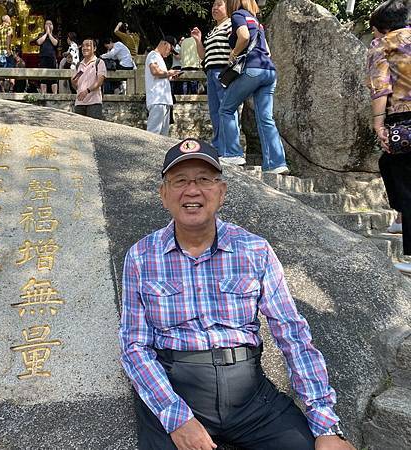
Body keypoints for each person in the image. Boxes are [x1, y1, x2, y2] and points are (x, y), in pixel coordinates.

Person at [119, 137, 357, 450]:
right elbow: (134, 345)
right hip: (178, 390)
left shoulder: (254, 250)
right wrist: (176, 418)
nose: (192, 191)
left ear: (222, 192)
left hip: (251, 397)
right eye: (179, 181)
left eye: (205, 179)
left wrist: (325, 424)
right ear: (164, 195)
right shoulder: (140, 257)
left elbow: (292, 333)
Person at [366, 0, 411, 272]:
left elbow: (380, 88)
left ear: (380, 27)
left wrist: (378, 124)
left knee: (405, 181)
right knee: (387, 164)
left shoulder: (382, 45)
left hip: (403, 119)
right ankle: (400, 217)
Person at [218, 0, 289, 174]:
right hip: (269, 71)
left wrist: (233, 54)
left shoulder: (238, 15)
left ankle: (232, 153)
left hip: (253, 70)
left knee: (226, 109)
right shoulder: (257, 22)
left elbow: (243, 36)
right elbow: (268, 51)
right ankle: (276, 163)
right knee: (265, 118)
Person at [192, 0, 239, 150]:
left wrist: (232, 60)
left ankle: (232, 147)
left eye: (219, 4)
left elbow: (240, 42)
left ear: (228, 7)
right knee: (214, 111)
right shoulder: (213, 30)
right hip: (211, 71)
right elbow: (203, 56)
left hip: (224, 71)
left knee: (226, 109)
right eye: (213, 5)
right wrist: (198, 40)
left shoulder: (232, 23)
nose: (214, 8)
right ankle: (219, 146)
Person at [145, 36, 182, 136]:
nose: (170, 53)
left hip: (164, 101)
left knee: (163, 135)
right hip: (157, 100)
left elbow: (160, 76)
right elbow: (155, 71)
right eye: (171, 49)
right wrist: (169, 73)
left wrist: (170, 77)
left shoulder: (159, 58)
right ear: (165, 43)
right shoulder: (153, 55)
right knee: (153, 133)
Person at [71, 38, 107, 119]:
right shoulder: (78, 65)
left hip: (94, 103)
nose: (84, 48)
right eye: (83, 46)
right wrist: (73, 82)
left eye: (88, 45)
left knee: (94, 129)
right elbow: (76, 87)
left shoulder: (99, 62)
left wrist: (87, 91)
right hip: (79, 103)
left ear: (94, 48)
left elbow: (99, 81)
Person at [34, 19, 59, 94]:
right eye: (46, 24)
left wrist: (49, 34)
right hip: (43, 58)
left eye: (50, 24)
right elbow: (38, 42)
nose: (48, 25)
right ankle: (43, 95)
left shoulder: (55, 36)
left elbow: (55, 43)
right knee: (43, 77)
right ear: (44, 26)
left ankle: (54, 95)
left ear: (53, 26)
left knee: (53, 78)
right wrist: (46, 34)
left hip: (52, 58)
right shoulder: (41, 35)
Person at [0, 14, 15, 92]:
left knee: (0, 73)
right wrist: (8, 49)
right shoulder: (9, 28)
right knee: (11, 71)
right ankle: (11, 88)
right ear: (7, 20)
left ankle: (2, 89)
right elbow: (8, 37)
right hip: (7, 53)